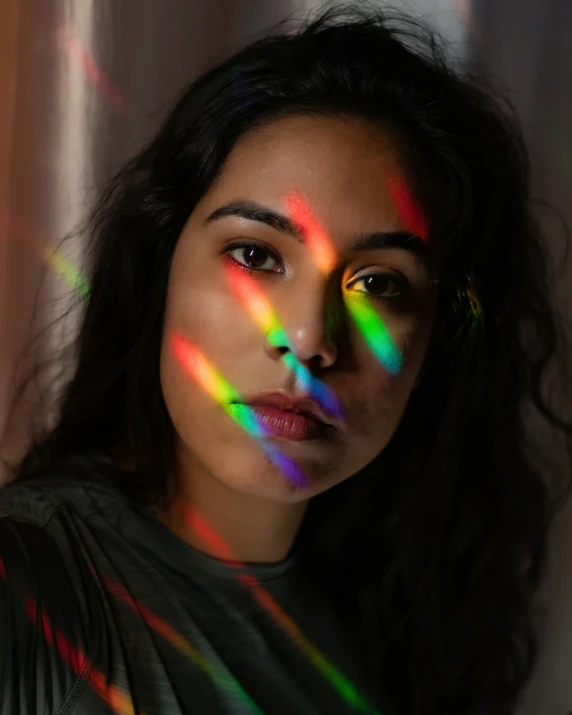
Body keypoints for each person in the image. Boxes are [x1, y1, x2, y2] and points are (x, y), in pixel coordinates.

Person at [1, 4, 570, 714]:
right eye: (256, 254)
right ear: (161, 270)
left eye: (380, 284)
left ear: (436, 344)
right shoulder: (31, 584)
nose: (308, 339)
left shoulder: (400, 632)